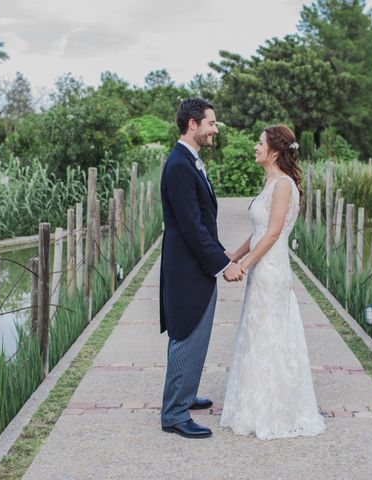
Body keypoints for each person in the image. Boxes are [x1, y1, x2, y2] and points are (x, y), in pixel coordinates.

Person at [220, 125, 326, 440]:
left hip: (271, 271)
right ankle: (254, 406)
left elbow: (273, 233)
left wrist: (243, 265)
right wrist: (232, 255)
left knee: (271, 334)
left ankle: (277, 410)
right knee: (258, 334)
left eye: (260, 142)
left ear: (274, 151)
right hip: (260, 269)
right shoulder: (270, 183)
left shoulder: (282, 185)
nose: (255, 146)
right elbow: (258, 232)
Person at [159, 98, 245, 439]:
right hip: (185, 268)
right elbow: (191, 227)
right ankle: (174, 413)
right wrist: (223, 264)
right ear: (193, 124)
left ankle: (188, 394)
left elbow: (201, 221)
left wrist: (220, 251)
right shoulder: (179, 164)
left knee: (199, 333)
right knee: (186, 333)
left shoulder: (189, 160)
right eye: (211, 123)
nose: (215, 129)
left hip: (196, 264)